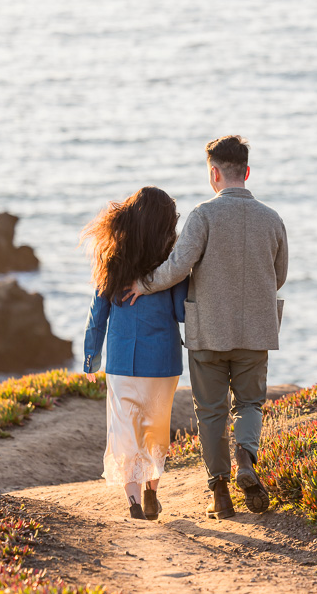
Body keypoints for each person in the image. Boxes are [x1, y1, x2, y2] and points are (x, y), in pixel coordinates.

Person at [123, 135, 287, 520]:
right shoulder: (272, 218)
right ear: (246, 172)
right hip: (256, 331)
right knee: (249, 404)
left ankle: (220, 493)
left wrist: (141, 284)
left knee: (211, 413)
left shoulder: (202, 215)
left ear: (214, 174)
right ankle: (245, 457)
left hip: (208, 332)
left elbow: (177, 269)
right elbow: (278, 277)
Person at [81, 186, 189, 521]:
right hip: (163, 359)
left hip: (123, 360)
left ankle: (132, 504)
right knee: (155, 428)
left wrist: (90, 357)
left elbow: (97, 314)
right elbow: (182, 313)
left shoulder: (112, 260)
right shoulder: (168, 264)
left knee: (124, 429)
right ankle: (151, 492)